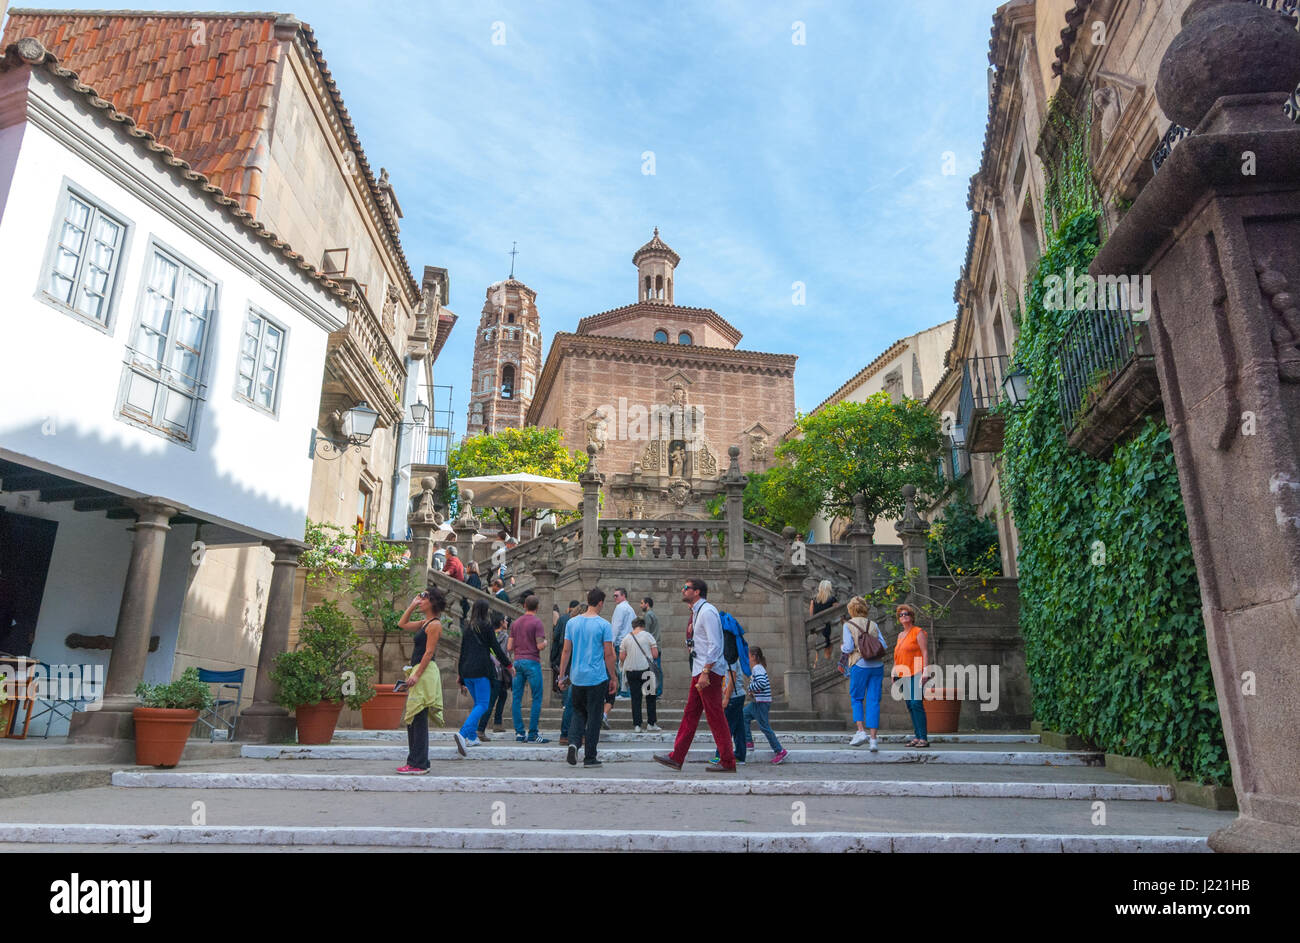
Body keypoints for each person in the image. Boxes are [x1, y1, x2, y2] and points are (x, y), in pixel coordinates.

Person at [653, 578, 737, 773]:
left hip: (707, 673)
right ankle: (677, 756)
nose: (683, 590)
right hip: (699, 671)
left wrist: (706, 672)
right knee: (690, 714)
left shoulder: (707, 612)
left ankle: (728, 761)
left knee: (715, 716)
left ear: (697, 592)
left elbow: (715, 645)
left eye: (686, 588)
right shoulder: (697, 612)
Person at [557, 588, 617, 768]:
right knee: (594, 717)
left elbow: (566, 651)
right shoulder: (604, 625)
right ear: (600, 603)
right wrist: (613, 677)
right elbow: (608, 654)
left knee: (578, 712)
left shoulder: (572, 623)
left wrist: (561, 676)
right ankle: (590, 757)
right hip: (597, 677)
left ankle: (574, 743)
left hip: (577, 677)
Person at [395, 588, 446, 774]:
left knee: (418, 717)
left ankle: (419, 763)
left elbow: (429, 652)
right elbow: (402, 624)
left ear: (433, 602)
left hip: (424, 672)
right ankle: (417, 761)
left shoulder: (434, 625)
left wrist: (416, 675)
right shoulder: (425, 622)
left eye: (424, 599)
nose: (421, 601)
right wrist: (412, 605)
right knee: (415, 718)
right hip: (419, 671)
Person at [455, 599, 512, 756]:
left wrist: (460, 675)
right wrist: (508, 665)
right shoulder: (486, 627)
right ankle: (463, 733)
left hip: (467, 671)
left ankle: (472, 737)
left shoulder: (467, 628)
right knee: (483, 704)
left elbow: (463, 652)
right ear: (486, 611)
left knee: (478, 704)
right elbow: (495, 648)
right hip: (481, 670)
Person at [843, 596, 887, 751]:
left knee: (856, 698)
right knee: (874, 700)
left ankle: (861, 731)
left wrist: (843, 648)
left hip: (859, 664)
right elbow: (884, 645)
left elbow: (848, 648)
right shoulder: (873, 624)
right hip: (877, 665)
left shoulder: (848, 625)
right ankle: (873, 740)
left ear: (851, 610)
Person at [509, 594, 549, 742]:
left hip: (517, 661)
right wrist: (545, 643)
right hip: (532, 662)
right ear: (537, 607)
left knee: (516, 699)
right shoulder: (537, 623)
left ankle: (519, 733)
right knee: (537, 697)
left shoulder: (515, 623)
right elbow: (539, 645)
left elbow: (509, 646)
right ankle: (532, 733)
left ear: (524, 606)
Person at [892, 602, 929, 748]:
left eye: (906, 614)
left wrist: (926, 670)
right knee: (910, 705)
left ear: (911, 616)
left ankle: (923, 738)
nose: (903, 616)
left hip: (917, 672)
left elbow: (925, 651)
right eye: (901, 615)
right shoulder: (900, 635)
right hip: (902, 674)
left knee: (916, 703)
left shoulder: (918, 632)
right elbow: (897, 655)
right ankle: (917, 736)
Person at [742, 646, 787, 763]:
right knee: (743, 715)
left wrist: (750, 688)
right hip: (757, 702)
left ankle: (780, 751)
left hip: (762, 703)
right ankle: (748, 742)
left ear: (753, 657)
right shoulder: (758, 668)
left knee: (765, 727)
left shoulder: (758, 668)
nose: (748, 658)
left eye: (749, 656)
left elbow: (761, 683)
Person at [620, 616, 660, 732]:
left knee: (636, 699)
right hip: (646, 670)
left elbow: (622, 657)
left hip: (631, 671)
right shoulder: (648, 636)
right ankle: (651, 723)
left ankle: (637, 725)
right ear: (643, 626)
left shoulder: (626, 638)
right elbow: (655, 654)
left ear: (633, 626)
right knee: (650, 697)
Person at [710, 648, 749, 766]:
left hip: (733, 697)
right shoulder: (733, 658)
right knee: (739, 728)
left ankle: (720, 755)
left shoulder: (730, 659)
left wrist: (726, 698)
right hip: (738, 695)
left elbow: (732, 678)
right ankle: (740, 756)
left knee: (726, 727)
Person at [553, 600, 581, 744]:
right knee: (579, 703)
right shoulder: (581, 627)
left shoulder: (569, 623)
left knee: (569, 703)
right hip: (580, 670)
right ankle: (579, 734)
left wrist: (561, 674)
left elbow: (564, 648)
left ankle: (564, 734)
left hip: (569, 668)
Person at [482, 611, 512, 734]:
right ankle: (482, 727)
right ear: (500, 622)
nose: (507, 622)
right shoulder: (504, 636)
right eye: (505, 620)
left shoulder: (489, 634)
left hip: (489, 669)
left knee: (502, 694)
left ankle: (498, 723)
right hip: (499, 671)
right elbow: (504, 653)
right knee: (492, 699)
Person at [610, 588, 635, 698]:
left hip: (621, 642)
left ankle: (624, 692)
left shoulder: (620, 608)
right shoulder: (630, 609)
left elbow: (616, 626)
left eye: (617, 595)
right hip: (629, 641)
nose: (615, 598)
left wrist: (611, 642)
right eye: (614, 596)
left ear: (623, 595)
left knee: (620, 667)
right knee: (626, 667)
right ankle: (626, 691)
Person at [809, 580, 838, 663]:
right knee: (828, 649)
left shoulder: (814, 600)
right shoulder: (832, 599)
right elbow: (837, 613)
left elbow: (811, 615)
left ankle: (817, 666)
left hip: (818, 627)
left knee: (819, 651)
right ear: (829, 588)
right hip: (829, 627)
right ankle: (826, 666)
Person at [640, 596, 662, 698]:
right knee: (656, 669)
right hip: (656, 646)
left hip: (652, 648)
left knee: (653, 670)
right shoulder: (652, 614)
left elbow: (646, 633)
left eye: (642, 603)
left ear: (647, 604)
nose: (640, 605)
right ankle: (657, 692)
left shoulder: (648, 615)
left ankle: (655, 692)